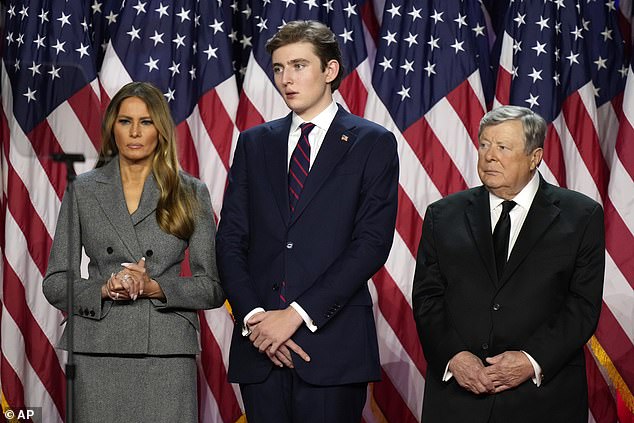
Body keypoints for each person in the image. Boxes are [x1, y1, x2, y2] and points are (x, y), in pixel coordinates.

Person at [216, 20, 399, 423]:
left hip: (331, 347)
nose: (286, 79)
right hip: (260, 348)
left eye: (298, 66)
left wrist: (295, 316)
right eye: (279, 68)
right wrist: (257, 322)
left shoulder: (372, 142)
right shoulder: (254, 142)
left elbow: (370, 244)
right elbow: (230, 239)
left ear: (330, 71)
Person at [42, 81, 225, 422]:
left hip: (165, 352)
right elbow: (55, 283)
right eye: (125, 121)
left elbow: (212, 287)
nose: (135, 132)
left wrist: (156, 287)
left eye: (146, 121)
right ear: (112, 127)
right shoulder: (82, 191)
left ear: (161, 129)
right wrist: (102, 288)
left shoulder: (190, 192)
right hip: (96, 349)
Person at [412, 105, 605, 422]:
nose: (489, 156)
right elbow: (427, 297)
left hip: (542, 399)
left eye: (502, 147)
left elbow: (582, 305)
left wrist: (531, 360)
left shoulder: (581, 216)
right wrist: (454, 356)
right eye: (484, 145)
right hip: (459, 399)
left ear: (534, 157)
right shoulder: (443, 215)